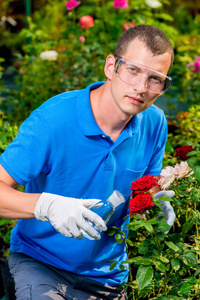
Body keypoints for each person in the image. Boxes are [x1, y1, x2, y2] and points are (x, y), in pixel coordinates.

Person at [0, 24, 176, 300]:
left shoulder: (154, 123)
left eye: (155, 79)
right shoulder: (54, 120)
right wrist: (46, 205)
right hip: (41, 264)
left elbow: (143, 188)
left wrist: (155, 200)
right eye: (133, 70)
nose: (141, 88)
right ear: (111, 66)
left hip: (108, 274)